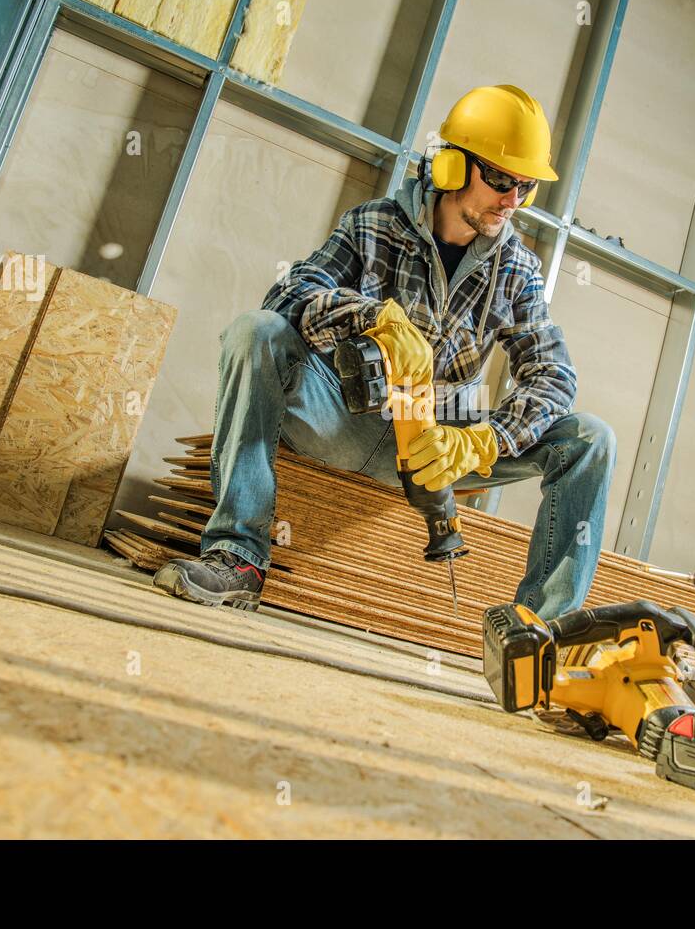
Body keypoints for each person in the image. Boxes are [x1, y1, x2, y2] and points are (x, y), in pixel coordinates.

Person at [153, 84, 615, 620]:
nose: (513, 201)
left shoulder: (516, 269)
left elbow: (553, 375)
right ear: (450, 168)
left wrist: (483, 441)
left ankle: (541, 630)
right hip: (347, 421)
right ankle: (238, 557)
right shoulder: (373, 225)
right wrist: (371, 316)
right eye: (501, 180)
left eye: (527, 187)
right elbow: (287, 296)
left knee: (589, 439)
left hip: (438, 447)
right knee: (254, 332)